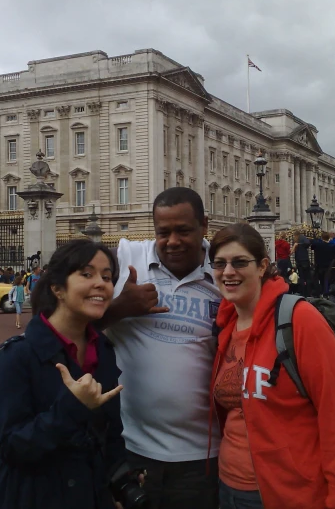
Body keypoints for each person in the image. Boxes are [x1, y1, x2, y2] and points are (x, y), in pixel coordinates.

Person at [0, 240, 132, 509]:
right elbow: (13, 448)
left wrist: (120, 478)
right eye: (86, 274)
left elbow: (110, 432)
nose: (101, 283)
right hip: (30, 494)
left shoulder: (102, 349)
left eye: (107, 276)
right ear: (57, 288)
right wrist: (72, 408)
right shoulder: (16, 357)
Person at [208, 223, 335, 508]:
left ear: (262, 266)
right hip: (227, 485)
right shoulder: (225, 324)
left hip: (286, 491)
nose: (228, 272)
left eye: (240, 262)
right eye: (220, 263)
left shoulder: (300, 320)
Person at [103, 187, 221, 509]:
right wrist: (119, 309)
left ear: (204, 226)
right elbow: (67, 324)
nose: (172, 241)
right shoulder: (127, 258)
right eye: (163, 232)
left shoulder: (225, 271)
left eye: (183, 231)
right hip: (134, 450)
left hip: (204, 454)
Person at [310, 231, 335, 296]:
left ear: (322, 237)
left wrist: (316, 238)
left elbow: (312, 246)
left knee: (318, 279)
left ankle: (319, 292)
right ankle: (326, 293)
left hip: (319, 265)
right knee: (326, 280)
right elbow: (334, 256)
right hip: (328, 265)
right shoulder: (332, 246)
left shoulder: (318, 244)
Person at [292, 231, 311, 297]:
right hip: (303, 260)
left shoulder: (300, 239)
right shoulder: (301, 238)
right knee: (306, 277)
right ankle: (306, 292)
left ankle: (304, 292)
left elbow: (308, 243)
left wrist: (300, 244)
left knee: (303, 277)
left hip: (301, 260)